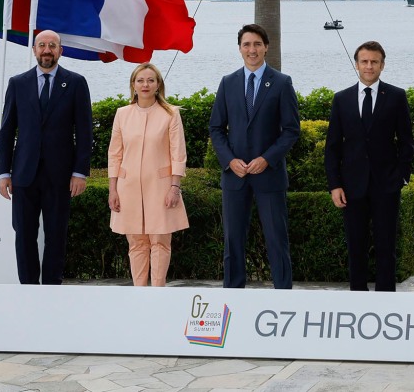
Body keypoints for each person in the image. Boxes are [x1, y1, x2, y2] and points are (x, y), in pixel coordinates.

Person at [0, 30, 93, 285]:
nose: (47, 50)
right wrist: (4, 173)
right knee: (24, 234)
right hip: (24, 175)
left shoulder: (76, 83)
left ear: (61, 51)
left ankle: (52, 288)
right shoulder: (17, 83)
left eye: (52, 45)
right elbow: (7, 130)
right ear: (34, 50)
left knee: (56, 234)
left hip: (60, 176)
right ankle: (28, 288)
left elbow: (85, 132)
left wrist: (80, 172)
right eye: (42, 45)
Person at [210, 23, 301, 289]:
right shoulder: (228, 83)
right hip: (235, 177)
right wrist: (229, 160)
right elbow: (216, 128)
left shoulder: (282, 83)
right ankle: (233, 296)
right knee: (233, 242)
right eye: (247, 44)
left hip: (269, 176)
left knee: (276, 240)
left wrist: (267, 159)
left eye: (257, 44)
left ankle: (283, 295)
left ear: (266, 47)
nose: (252, 49)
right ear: (239, 49)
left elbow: (291, 130)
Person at [325, 41, 414, 291]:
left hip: (386, 185)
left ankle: (386, 301)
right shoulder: (341, 99)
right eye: (364, 61)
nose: (369, 66)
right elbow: (332, 147)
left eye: (374, 61)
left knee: (387, 248)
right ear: (356, 65)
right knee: (356, 247)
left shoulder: (396, 96)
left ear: (382, 65)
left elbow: (406, 142)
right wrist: (335, 185)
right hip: (352, 187)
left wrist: (401, 178)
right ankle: (358, 300)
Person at [107, 63, 189, 287]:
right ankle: (139, 293)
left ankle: (158, 291)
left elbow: (178, 153)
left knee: (160, 242)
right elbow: (114, 154)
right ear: (133, 85)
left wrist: (175, 187)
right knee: (136, 244)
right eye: (140, 80)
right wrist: (113, 189)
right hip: (128, 188)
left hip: (161, 188)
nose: (145, 84)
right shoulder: (122, 114)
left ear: (158, 85)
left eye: (150, 80)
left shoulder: (170, 114)